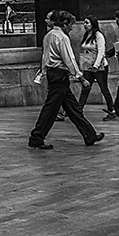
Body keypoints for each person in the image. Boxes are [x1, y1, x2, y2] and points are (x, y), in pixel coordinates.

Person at [28, 11, 103, 150]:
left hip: (54, 74)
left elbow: (44, 57)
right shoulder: (62, 37)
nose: (71, 28)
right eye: (71, 25)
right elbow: (69, 59)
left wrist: (44, 72)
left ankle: (89, 134)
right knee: (51, 109)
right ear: (64, 23)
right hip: (60, 75)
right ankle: (36, 137)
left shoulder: (48, 36)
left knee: (72, 108)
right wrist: (80, 77)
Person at [77, 17, 115, 115]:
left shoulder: (98, 35)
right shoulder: (86, 35)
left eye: (87, 23)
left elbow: (101, 51)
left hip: (99, 66)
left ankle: (111, 109)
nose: (84, 25)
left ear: (92, 24)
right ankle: (79, 108)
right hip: (88, 65)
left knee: (103, 88)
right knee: (85, 87)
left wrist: (96, 65)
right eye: (84, 23)